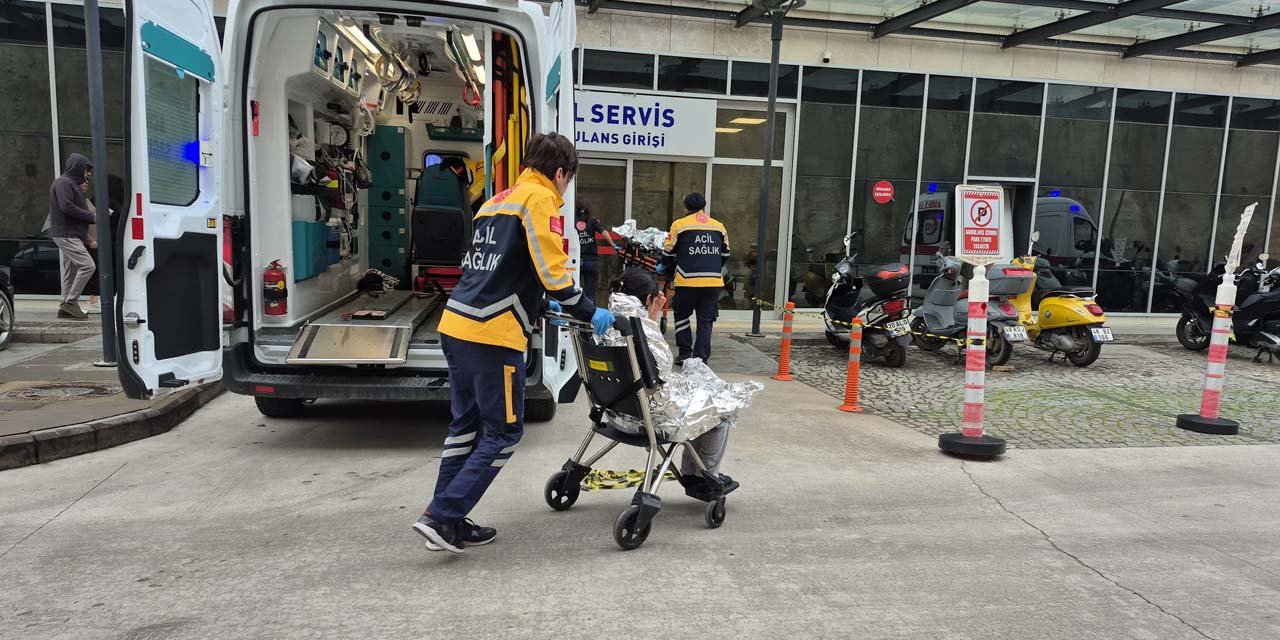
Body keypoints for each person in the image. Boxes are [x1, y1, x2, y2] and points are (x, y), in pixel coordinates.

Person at [414, 133, 614, 554]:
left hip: (457, 324)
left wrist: (538, 303)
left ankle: (448, 521)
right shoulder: (539, 200)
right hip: (492, 333)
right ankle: (441, 516)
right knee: (504, 432)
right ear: (560, 172)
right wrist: (587, 309)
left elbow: (493, 268)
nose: (565, 190)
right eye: (568, 180)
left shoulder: (495, 201)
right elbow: (553, 272)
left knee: (464, 428)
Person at [607, 267, 740, 499]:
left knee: (700, 399)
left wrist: (650, 316)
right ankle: (705, 477)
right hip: (645, 418)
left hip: (615, 411)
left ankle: (693, 473)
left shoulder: (609, 320)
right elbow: (662, 368)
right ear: (647, 299)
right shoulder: (640, 327)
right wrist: (652, 319)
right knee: (722, 409)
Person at [662, 193, 729, 365]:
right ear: (703, 207)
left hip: (687, 281)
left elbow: (668, 251)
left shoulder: (679, 225)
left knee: (682, 315)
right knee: (706, 320)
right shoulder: (719, 226)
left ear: (686, 207)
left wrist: (665, 266)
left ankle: (685, 354)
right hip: (713, 282)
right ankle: (701, 359)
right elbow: (725, 254)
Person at [48, 154, 97, 320]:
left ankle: (65, 306)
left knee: (71, 270)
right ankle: (71, 302)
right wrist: (92, 217)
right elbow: (67, 207)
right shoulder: (63, 183)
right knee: (88, 266)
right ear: (77, 167)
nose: (89, 174)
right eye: (87, 169)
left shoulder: (69, 184)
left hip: (70, 234)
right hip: (67, 234)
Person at [574, 199, 616, 303]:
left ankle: (573, 312)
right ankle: (590, 311)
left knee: (573, 291)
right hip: (591, 261)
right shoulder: (592, 220)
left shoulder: (572, 220)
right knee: (590, 293)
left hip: (575, 262)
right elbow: (604, 232)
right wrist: (613, 245)